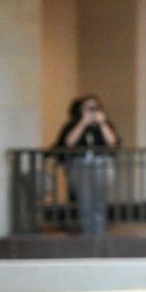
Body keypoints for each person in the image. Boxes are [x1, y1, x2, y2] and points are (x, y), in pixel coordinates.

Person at [52, 95, 120, 234]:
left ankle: (99, 230)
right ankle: (87, 230)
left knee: (100, 197)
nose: (92, 111)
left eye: (95, 107)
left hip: (101, 163)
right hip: (80, 164)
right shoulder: (72, 125)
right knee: (85, 197)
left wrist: (102, 123)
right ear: (80, 109)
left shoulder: (105, 124)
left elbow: (113, 142)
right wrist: (83, 123)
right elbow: (68, 143)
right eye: (88, 107)